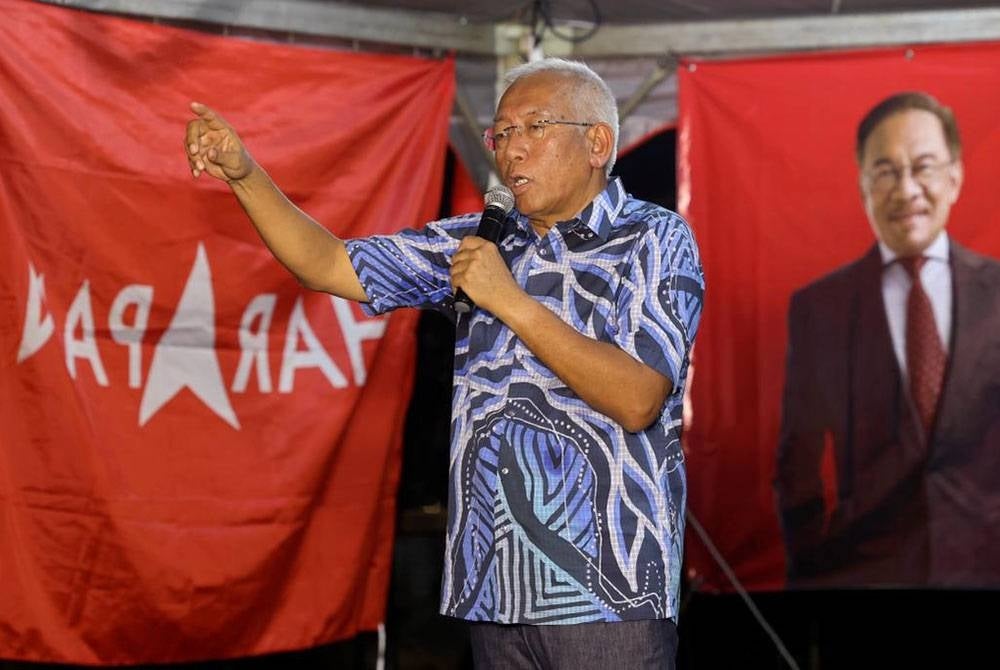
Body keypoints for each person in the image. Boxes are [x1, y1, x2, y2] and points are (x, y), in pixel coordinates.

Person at [185, 58, 703, 668]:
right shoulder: (481, 243)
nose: (512, 149)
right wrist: (245, 175)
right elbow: (328, 264)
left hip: (607, 597)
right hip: (494, 593)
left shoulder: (653, 238)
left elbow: (638, 396)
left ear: (597, 143)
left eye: (534, 128)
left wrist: (508, 299)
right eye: (501, 133)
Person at [775, 91, 1000, 588]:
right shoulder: (820, 309)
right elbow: (798, 463)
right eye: (885, 171)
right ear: (863, 186)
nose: (907, 189)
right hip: (866, 575)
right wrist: (812, 572)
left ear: (955, 176)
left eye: (923, 167)